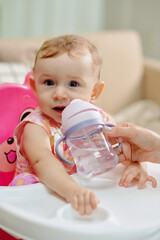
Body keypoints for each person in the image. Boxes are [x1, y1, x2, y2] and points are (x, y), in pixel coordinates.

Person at [10, 35, 157, 216]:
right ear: (34, 86)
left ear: (94, 92)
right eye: (49, 82)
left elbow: (123, 148)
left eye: (73, 84)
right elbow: (42, 161)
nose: (59, 93)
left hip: (87, 191)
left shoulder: (98, 119)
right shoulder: (36, 126)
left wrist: (136, 165)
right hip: (45, 194)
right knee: (25, 184)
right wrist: (71, 190)